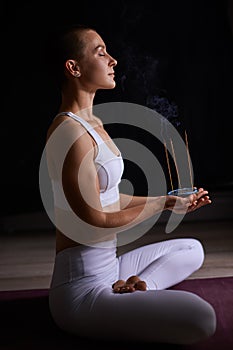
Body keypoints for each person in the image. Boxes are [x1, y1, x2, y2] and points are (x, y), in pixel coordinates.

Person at [44, 24, 216, 345]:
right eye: (100, 52)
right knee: (203, 318)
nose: (113, 60)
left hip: (111, 271)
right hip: (82, 291)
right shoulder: (69, 133)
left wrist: (168, 198)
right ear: (73, 67)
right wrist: (162, 205)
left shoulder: (92, 124)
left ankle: (138, 286)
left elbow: (109, 197)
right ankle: (126, 296)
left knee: (192, 249)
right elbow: (93, 220)